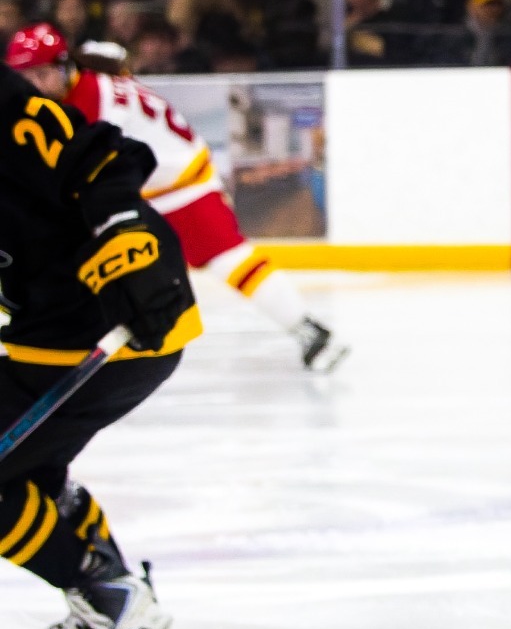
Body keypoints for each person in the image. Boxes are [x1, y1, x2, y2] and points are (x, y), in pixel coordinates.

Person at [0, 57, 196, 629]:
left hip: (118, 321)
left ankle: (109, 597)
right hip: (44, 336)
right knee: (27, 467)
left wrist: (125, 245)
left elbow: (104, 159)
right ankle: (116, 590)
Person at [9, 24, 348, 371]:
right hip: (165, 179)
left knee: (229, 260)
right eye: (26, 77)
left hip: (180, 186)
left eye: (42, 74)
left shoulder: (87, 103)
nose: (35, 85)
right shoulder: (86, 84)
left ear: (64, 66)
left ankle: (308, 330)